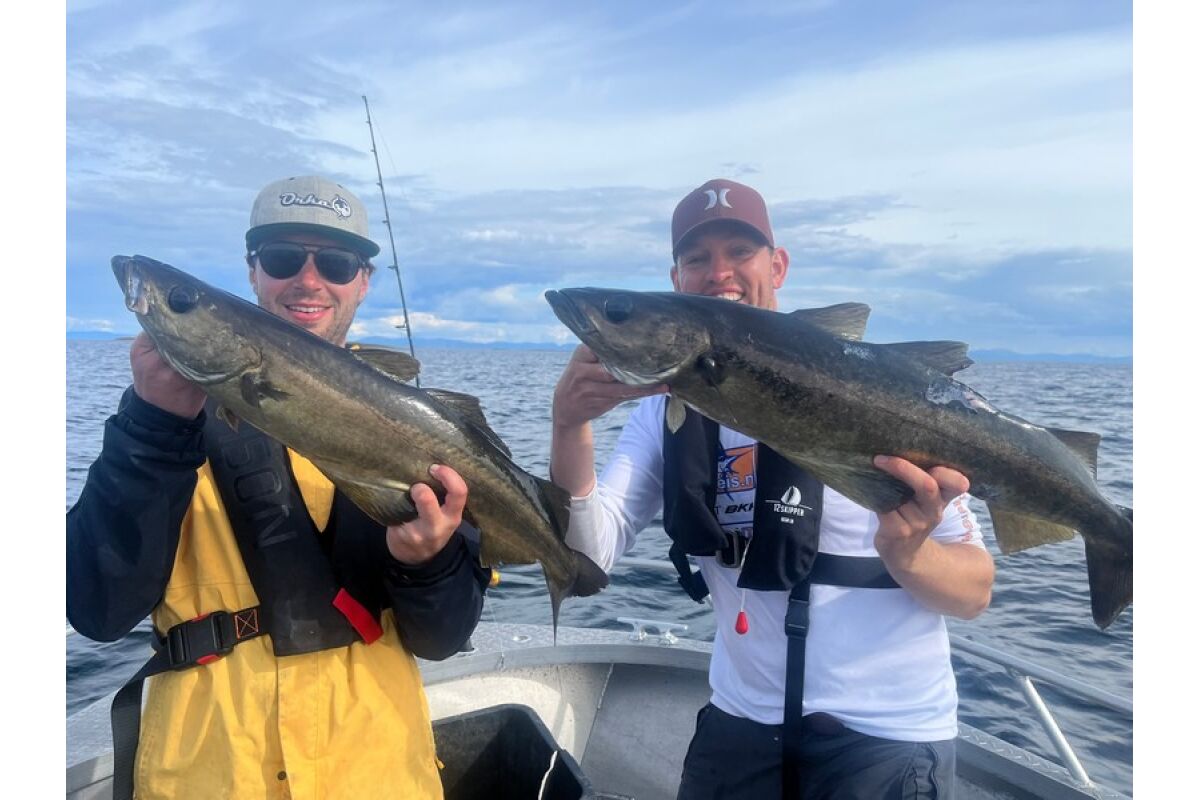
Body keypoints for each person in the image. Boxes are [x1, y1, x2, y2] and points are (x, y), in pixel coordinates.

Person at [549, 178, 995, 799]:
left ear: (777, 265)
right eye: (697, 258)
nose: (719, 273)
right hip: (740, 723)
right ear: (676, 279)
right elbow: (587, 554)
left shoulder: (876, 395)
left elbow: (975, 592)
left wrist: (910, 553)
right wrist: (569, 427)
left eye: (740, 251)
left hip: (885, 735)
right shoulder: (664, 411)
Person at [67, 175, 491, 800]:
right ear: (253, 271)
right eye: (283, 257)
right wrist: (152, 428)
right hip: (209, 779)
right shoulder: (165, 422)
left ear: (364, 281)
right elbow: (98, 610)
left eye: (336, 263)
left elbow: (443, 640)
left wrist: (427, 563)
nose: (309, 280)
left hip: (378, 775)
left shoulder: (418, 436)